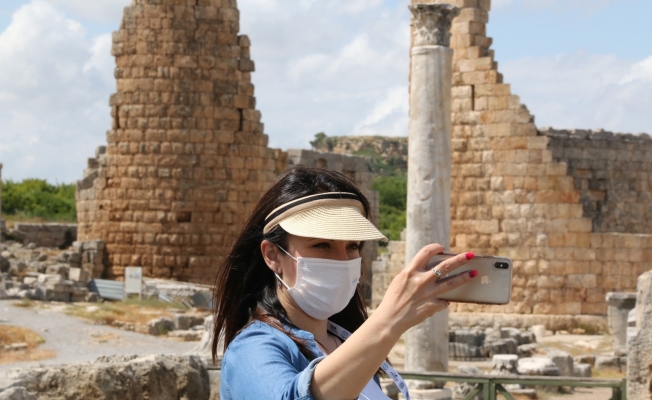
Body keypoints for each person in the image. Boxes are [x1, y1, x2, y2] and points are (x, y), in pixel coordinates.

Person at [212, 167, 478, 400]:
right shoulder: (253, 348)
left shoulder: (344, 341)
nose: (342, 260)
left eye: (352, 246)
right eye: (322, 245)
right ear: (273, 255)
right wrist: (389, 320)